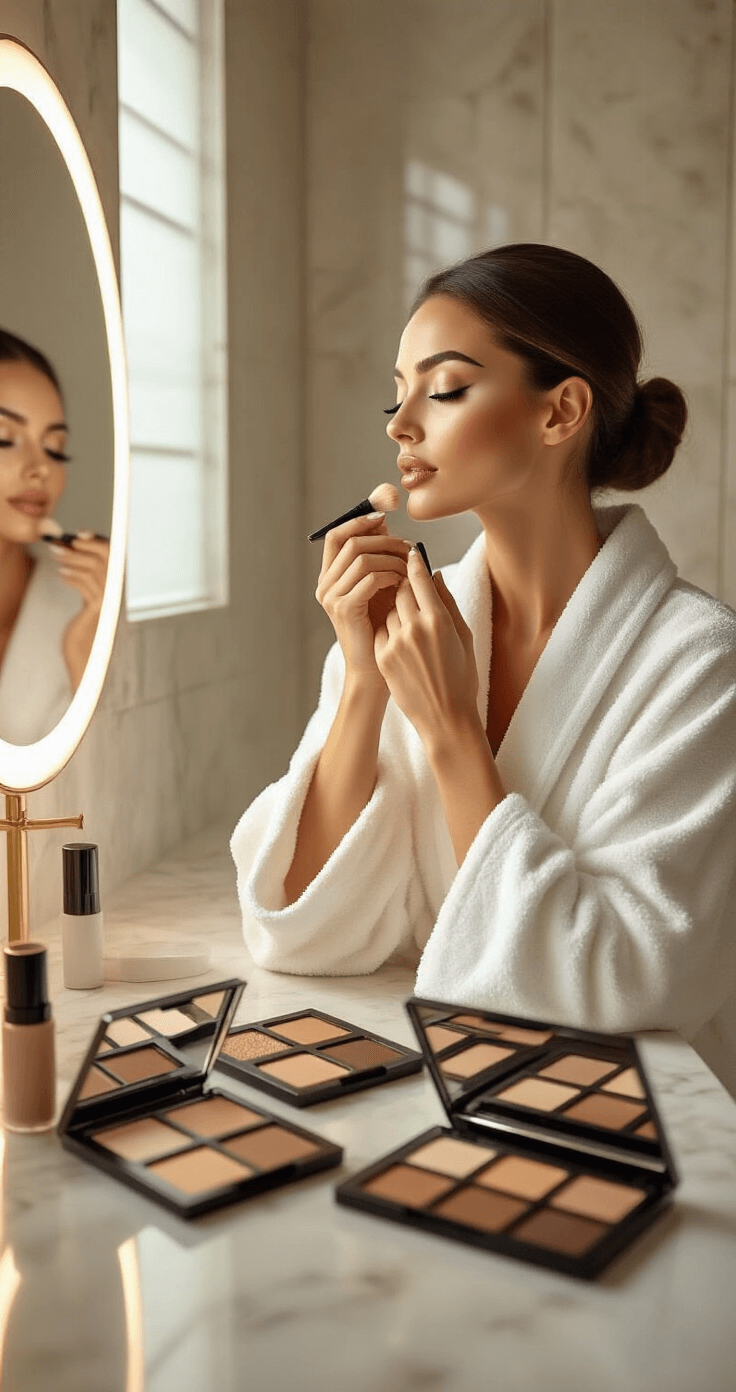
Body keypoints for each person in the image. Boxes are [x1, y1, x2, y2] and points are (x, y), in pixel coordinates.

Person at [231, 243, 736, 1092]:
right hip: (442, 1088)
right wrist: (361, 682)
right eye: (398, 394)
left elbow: (622, 980)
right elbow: (301, 929)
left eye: (447, 387)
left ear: (560, 410)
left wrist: (453, 729)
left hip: (637, 1127)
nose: (400, 424)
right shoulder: (415, 634)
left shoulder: (700, 664)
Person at [0, 329, 109, 743]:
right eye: (5, 438)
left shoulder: (77, 603)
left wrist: (86, 646)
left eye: (55, 447)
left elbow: (105, 786)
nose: (39, 467)